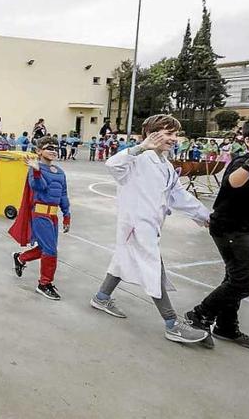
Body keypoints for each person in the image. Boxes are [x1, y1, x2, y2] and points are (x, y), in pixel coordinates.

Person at [90, 114, 210, 344]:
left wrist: (205, 216)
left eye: (176, 133)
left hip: (151, 224)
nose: (174, 138)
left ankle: (101, 297)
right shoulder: (138, 158)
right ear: (150, 133)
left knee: (122, 261)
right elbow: (112, 165)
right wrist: (140, 147)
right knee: (153, 268)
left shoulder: (166, 164)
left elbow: (179, 196)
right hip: (136, 226)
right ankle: (172, 323)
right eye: (168, 133)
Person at [186, 116, 249, 350]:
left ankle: (226, 326)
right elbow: (234, 182)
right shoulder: (242, 162)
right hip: (231, 229)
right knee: (244, 282)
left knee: (234, 279)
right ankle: (199, 315)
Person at [10, 136, 71, 300]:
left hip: (53, 216)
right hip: (40, 215)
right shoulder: (34, 169)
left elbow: (63, 195)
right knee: (50, 251)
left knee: (46, 249)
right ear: (39, 151)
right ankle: (44, 284)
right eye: (49, 147)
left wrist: (67, 215)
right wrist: (36, 170)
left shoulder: (60, 172)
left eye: (55, 148)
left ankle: (21, 258)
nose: (53, 150)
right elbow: (39, 187)